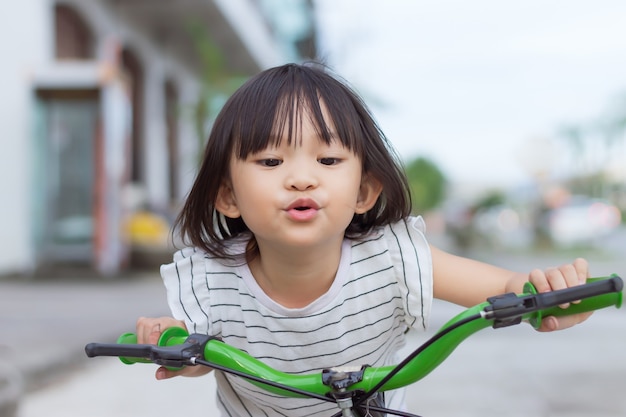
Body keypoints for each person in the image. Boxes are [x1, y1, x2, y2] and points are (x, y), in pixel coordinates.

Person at [136, 62, 591, 416]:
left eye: (329, 159)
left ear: (364, 191)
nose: (301, 179)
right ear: (228, 196)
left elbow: (507, 290)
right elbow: (198, 353)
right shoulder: (212, 279)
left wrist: (548, 295)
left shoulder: (391, 258)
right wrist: (173, 342)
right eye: (271, 161)